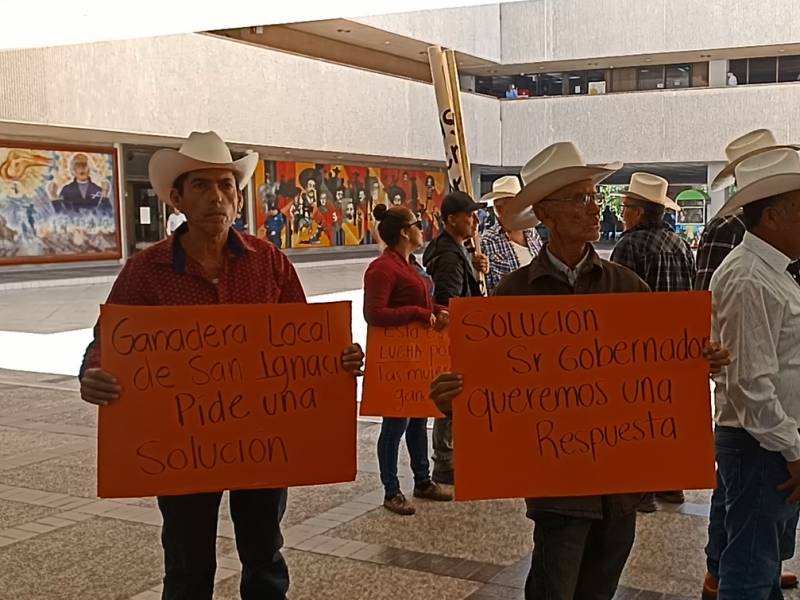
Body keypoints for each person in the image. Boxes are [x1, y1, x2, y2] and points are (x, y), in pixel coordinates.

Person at [428, 141, 731, 600]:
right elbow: (489, 389)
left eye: (595, 198)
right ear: (546, 215)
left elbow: (661, 370)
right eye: (582, 199)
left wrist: (696, 364)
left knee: (599, 590)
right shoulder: (512, 296)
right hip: (557, 490)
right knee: (553, 589)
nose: (596, 210)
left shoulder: (626, 285)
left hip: (621, 486)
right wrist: (452, 400)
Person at [76, 131, 364, 600]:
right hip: (181, 445)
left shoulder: (268, 261)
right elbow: (105, 344)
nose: (218, 197)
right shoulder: (145, 270)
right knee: (188, 564)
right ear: (177, 198)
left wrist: (341, 356)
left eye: (227, 186)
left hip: (263, 441)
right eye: (202, 186)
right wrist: (94, 375)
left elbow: (306, 339)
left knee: (265, 555)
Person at [707, 147, 800, 598]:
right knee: (749, 572)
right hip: (761, 443)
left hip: (767, 440)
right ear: (773, 216)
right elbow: (751, 382)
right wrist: (791, 448)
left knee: (760, 563)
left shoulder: (773, 272)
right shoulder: (750, 278)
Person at [609, 172, 696, 513]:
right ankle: (671, 483)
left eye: (626, 206)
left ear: (640, 212)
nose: (622, 213)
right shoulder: (681, 245)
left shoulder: (629, 246)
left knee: (639, 416)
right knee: (668, 415)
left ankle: (642, 489)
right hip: (677, 346)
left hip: (639, 348)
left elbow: (616, 303)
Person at [363, 204, 453, 515]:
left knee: (418, 419)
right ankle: (391, 490)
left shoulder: (411, 264)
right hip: (397, 361)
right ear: (404, 232)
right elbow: (373, 313)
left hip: (418, 358)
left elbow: (424, 302)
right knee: (394, 426)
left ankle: (422, 480)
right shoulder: (382, 268)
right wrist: (419, 313)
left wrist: (439, 310)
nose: (422, 228)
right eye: (417, 224)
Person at [422, 191, 487, 485]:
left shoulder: (452, 249)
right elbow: (449, 301)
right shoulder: (449, 255)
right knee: (451, 399)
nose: (475, 221)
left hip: (458, 338)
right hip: (457, 338)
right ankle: (445, 461)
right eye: (469, 216)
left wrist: (474, 268)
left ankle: (447, 458)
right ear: (451, 220)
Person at [480, 175, 543, 293]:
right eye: (515, 205)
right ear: (499, 209)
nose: (521, 209)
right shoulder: (487, 241)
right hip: (506, 307)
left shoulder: (532, 233)